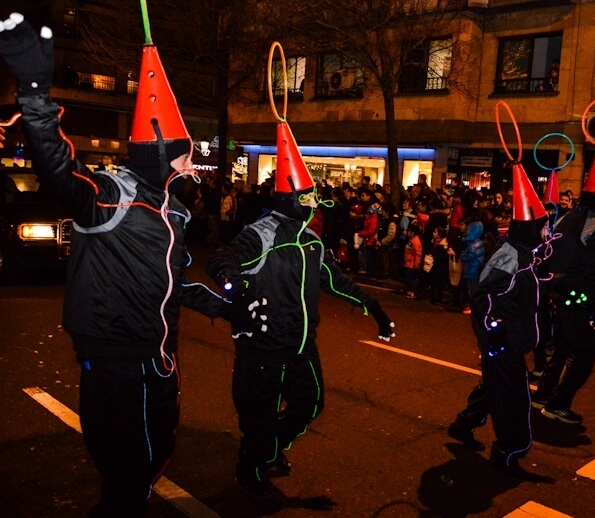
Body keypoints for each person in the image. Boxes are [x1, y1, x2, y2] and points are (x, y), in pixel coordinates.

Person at [0, 13, 229, 516]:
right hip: (118, 359)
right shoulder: (110, 197)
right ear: (162, 157)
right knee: (130, 461)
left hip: (156, 354)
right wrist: (36, 96)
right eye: (184, 156)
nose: (193, 165)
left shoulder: (173, 210)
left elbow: (173, 280)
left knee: (145, 456)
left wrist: (228, 307)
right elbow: (61, 173)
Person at [206, 119, 395, 499]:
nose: (313, 202)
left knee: (310, 403)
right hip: (262, 347)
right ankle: (252, 467)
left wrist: (376, 309)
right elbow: (223, 257)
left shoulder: (311, 241)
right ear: (291, 199)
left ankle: (267, 448)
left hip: (300, 348)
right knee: (257, 416)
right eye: (307, 196)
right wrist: (232, 279)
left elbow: (337, 281)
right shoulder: (262, 234)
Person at [448, 159, 551, 476]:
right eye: (542, 225)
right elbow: (484, 298)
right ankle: (507, 453)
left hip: (508, 343)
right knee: (515, 399)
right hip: (504, 344)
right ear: (529, 227)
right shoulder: (511, 255)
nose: (546, 231)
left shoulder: (523, 253)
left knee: (496, 388)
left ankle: (464, 425)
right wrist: (497, 336)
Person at [532, 146, 595, 425]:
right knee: (586, 351)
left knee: (564, 344)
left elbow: (552, 253)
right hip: (577, 293)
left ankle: (543, 395)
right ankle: (559, 402)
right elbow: (589, 268)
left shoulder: (566, 218)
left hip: (558, 289)